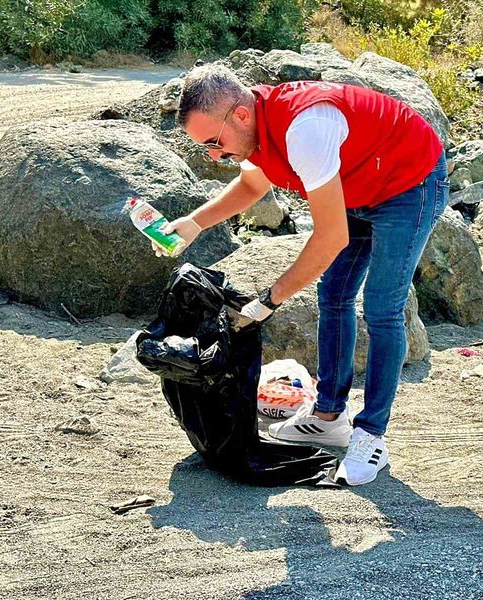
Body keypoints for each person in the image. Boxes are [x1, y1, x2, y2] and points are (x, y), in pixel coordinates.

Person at [156, 65, 448, 486]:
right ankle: (329, 414)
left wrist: (268, 301)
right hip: (359, 183)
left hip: (408, 183)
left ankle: (370, 435)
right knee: (335, 296)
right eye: (207, 149)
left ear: (239, 115)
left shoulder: (305, 130)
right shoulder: (254, 126)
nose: (215, 156)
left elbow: (330, 239)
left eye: (215, 144)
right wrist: (195, 222)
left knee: (383, 308)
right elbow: (253, 187)